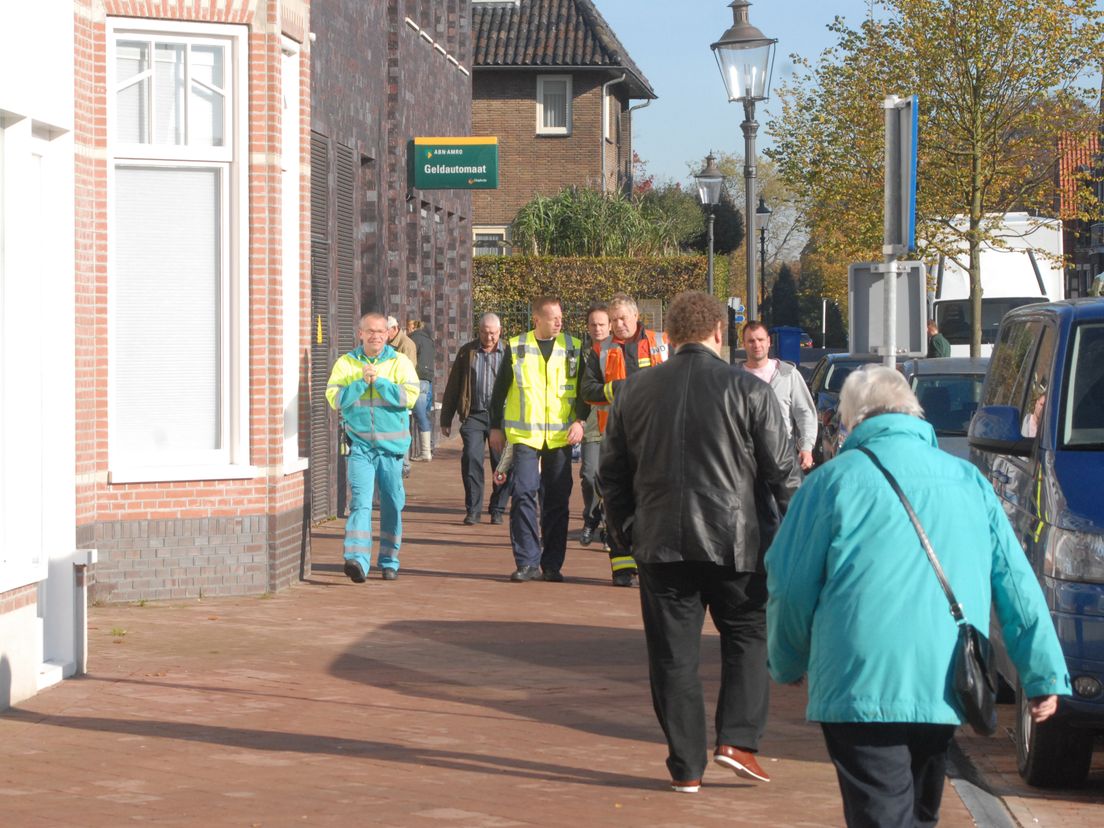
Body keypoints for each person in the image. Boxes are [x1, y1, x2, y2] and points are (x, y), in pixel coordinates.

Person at [766, 365, 1069, 827]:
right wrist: (1043, 672)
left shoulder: (831, 484)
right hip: (945, 676)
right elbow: (1016, 583)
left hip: (858, 678)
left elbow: (788, 585)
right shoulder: (968, 482)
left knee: (882, 811)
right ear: (914, 412)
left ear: (851, 420)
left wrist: (787, 659)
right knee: (920, 811)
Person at [600, 291, 801, 793]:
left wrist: (627, 529)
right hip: (737, 541)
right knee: (748, 636)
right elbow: (785, 476)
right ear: (719, 333)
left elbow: (611, 476)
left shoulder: (632, 392)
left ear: (669, 336)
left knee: (672, 655)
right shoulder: (752, 392)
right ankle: (737, 738)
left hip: (661, 542)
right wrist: (797, 538)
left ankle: (686, 765)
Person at [489, 296, 586, 582]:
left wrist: (580, 421)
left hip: (559, 437)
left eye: (561, 317)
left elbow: (584, 391)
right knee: (523, 493)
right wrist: (495, 427)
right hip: (526, 436)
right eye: (552, 317)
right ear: (536, 320)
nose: (559, 321)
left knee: (557, 499)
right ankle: (527, 561)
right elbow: (499, 391)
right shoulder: (517, 347)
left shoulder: (573, 347)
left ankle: (552, 563)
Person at [581, 292, 670, 586]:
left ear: (636, 317)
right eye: (614, 319)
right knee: (617, 503)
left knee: (652, 504)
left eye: (623, 318)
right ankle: (621, 567)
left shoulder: (661, 342)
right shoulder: (600, 350)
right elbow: (588, 390)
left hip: (655, 439)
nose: (618, 324)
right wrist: (616, 389)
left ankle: (649, 565)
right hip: (615, 438)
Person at [326, 312, 420, 582]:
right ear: (360, 334)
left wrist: (379, 382)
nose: (376, 336)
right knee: (360, 503)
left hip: (392, 449)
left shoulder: (399, 362)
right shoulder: (346, 363)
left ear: (388, 333)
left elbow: (409, 397)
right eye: (370, 331)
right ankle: (357, 560)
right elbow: (335, 398)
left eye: (381, 331)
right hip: (361, 448)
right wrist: (360, 383)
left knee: (391, 504)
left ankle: (389, 560)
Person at [439, 313, 510, 525]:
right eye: (485, 333)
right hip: (474, 414)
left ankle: (497, 508)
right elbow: (454, 385)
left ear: (500, 332)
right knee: (471, 458)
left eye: (493, 333)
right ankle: (473, 509)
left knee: (502, 464)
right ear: (478, 331)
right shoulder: (467, 352)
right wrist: (446, 418)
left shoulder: (509, 352)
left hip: (502, 417)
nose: (489, 338)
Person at [740, 320, 817, 471]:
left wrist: (806, 448)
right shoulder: (735, 378)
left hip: (783, 459)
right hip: (745, 462)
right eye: (751, 341)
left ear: (769, 342)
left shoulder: (787, 375)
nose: (756, 345)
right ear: (743, 344)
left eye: (761, 340)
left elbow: (805, 413)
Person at [578, 303, 610, 547]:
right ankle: (591, 519)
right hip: (590, 422)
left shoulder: (618, 350)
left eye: (602, 324)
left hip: (615, 423)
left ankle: (610, 526)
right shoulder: (581, 351)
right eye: (593, 324)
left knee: (611, 477)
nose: (597, 328)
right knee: (589, 474)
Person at [407, 319, 436, 462]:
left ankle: (425, 452)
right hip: (428, 379)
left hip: (417, 379)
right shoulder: (429, 340)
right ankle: (430, 447)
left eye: (408, 327)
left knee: (420, 415)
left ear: (413, 327)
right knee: (426, 414)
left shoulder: (412, 339)